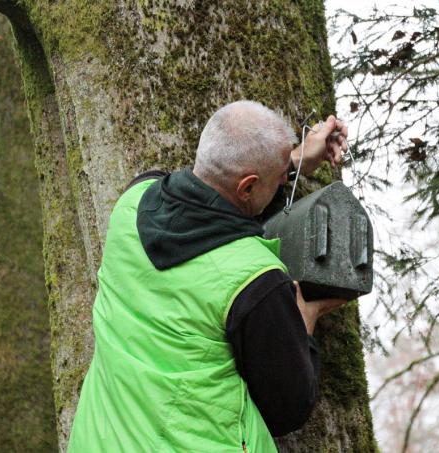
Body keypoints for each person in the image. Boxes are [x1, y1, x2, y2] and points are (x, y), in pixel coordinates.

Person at [67, 100, 350, 452]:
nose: (282, 183)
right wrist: (303, 322)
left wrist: (290, 161)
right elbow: (287, 409)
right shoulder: (255, 279)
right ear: (247, 187)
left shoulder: (132, 203)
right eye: (277, 180)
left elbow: (207, 192)